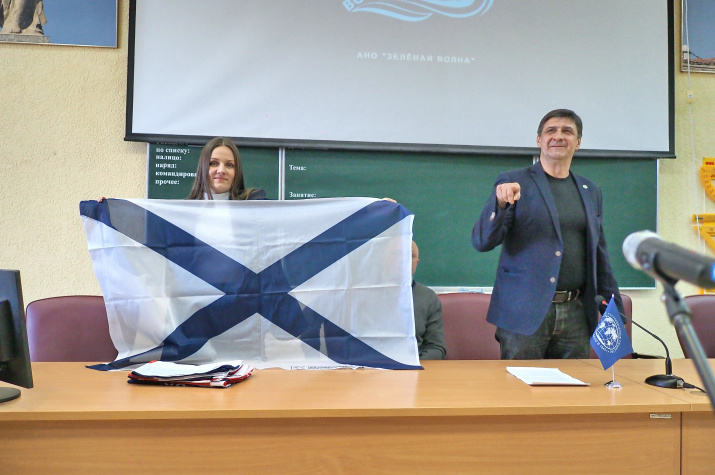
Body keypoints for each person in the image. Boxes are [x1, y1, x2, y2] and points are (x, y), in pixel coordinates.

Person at [472, 109, 623, 360]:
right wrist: (500, 205)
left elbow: (599, 252)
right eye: (551, 130)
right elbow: (482, 241)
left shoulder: (590, 190)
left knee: (574, 384)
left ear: (578, 142)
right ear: (539, 140)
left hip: (576, 313)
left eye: (567, 131)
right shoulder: (513, 182)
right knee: (521, 384)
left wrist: (615, 309)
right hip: (524, 312)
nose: (558, 136)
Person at [187, 137, 265, 200]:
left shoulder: (256, 205)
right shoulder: (184, 210)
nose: (221, 170)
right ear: (202, 168)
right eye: (214, 163)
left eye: (229, 165)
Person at [411, 241, 446, 360]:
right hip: (373, 367)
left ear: (416, 263)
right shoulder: (366, 295)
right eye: (397, 254)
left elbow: (436, 348)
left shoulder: (428, 297)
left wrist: (414, 366)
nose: (404, 260)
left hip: (416, 366)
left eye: (411, 256)